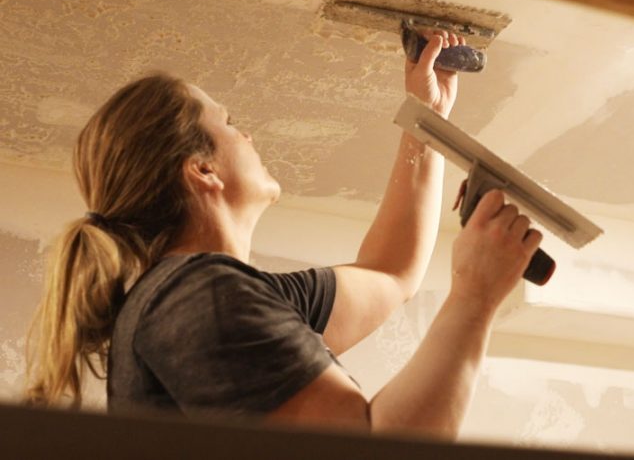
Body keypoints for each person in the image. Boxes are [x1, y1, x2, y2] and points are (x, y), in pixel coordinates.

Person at [25, 30, 542, 438]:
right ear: (203, 170)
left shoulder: (219, 295)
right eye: (229, 122)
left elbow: (390, 272)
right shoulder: (200, 298)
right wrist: (475, 295)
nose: (246, 135)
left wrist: (427, 119)